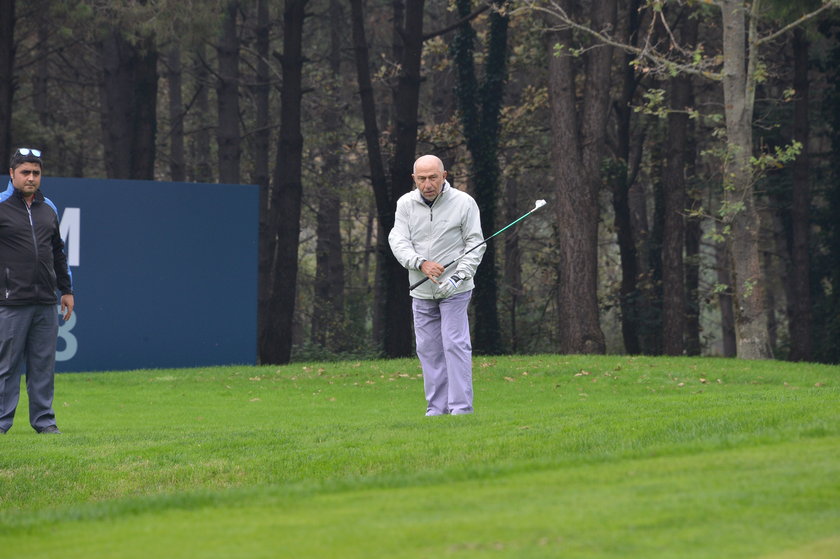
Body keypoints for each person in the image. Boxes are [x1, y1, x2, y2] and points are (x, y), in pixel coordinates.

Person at [389, 155, 485, 416]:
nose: (428, 184)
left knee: (454, 344)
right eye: (421, 179)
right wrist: (420, 263)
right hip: (421, 290)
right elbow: (398, 241)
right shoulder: (405, 204)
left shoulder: (464, 202)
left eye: (433, 177)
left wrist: (458, 276)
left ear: (444, 176)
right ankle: (436, 410)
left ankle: (461, 409)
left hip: (456, 289)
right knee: (428, 350)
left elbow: (475, 243)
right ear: (414, 179)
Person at [0, 148, 74, 434]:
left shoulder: (49, 208)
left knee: (43, 366)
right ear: (12, 174)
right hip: (10, 301)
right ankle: (2, 422)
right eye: (25, 172)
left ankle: (45, 423)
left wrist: (66, 289)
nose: (31, 178)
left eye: (36, 173)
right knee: (7, 367)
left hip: (45, 300)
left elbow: (57, 252)